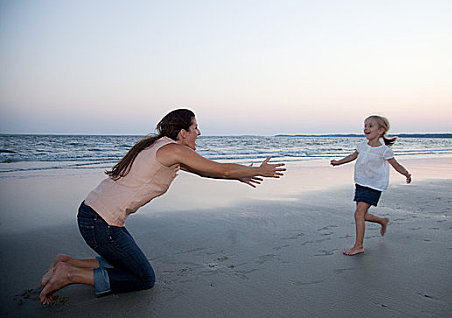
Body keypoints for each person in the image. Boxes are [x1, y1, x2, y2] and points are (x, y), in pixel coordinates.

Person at [40, 109, 286, 304]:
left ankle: (66, 262)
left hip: (94, 214)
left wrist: (239, 176)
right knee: (144, 278)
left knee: (128, 264)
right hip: (100, 222)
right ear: (182, 133)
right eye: (195, 128)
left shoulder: (161, 147)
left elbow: (207, 172)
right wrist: (258, 170)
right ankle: (69, 275)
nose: (199, 133)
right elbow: (219, 167)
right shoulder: (172, 150)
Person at [330, 115, 411, 256]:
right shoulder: (362, 145)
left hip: (374, 185)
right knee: (362, 215)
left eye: (370, 126)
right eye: (365, 125)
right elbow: (352, 156)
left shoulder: (384, 150)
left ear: (380, 130)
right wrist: (338, 162)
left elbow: (396, 165)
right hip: (361, 183)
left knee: (358, 214)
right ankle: (382, 220)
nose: (366, 128)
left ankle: (359, 246)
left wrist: (406, 174)